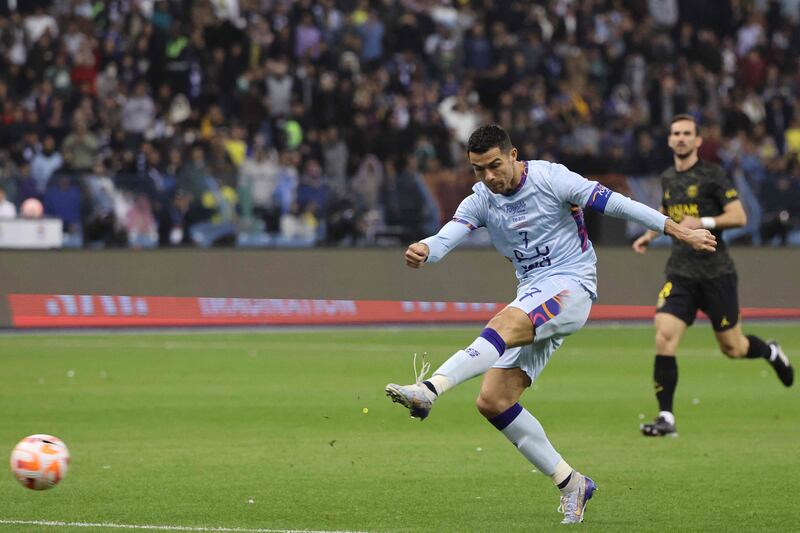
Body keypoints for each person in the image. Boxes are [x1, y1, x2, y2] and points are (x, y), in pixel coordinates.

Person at [385, 124, 717, 525]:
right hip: (534, 294)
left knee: (505, 322)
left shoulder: (550, 178)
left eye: (494, 165)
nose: (489, 177)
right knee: (493, 400)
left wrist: (676, 229)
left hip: (572, 286)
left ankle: (429, 389)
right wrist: (424, 249)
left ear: (513, 155)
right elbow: (445, 238)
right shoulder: (480, 200)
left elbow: (616, 204)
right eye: (478, 170)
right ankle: (571, 482)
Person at [632, 114, 793, 438]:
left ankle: (771, 351)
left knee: (733, 347)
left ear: (697, 140)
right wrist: (650, 235)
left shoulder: (713, 175)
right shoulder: (667, 178)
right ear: (669, 140)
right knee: (664, 334)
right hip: (680, 272)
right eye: (675, 133)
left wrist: (702, 222)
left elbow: (739, 216)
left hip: (716, 272)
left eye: (687, 133)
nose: (680, 138)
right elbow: (668, 214)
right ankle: (666, 417)